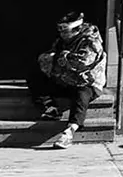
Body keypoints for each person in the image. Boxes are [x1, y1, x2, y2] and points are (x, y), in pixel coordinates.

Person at [29, 11, 106, 149]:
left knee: (82, 94)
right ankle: (51, 108)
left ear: (76, 29)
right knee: (35, 75)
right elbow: (48, 58)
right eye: (61, 31)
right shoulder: (62, 41)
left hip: (87, 82)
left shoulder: (91, 41)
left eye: (66, 31)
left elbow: (84, 63)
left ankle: (69, 131)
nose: (62, 35)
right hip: (66, 79)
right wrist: (54, 59)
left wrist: (64, 58)